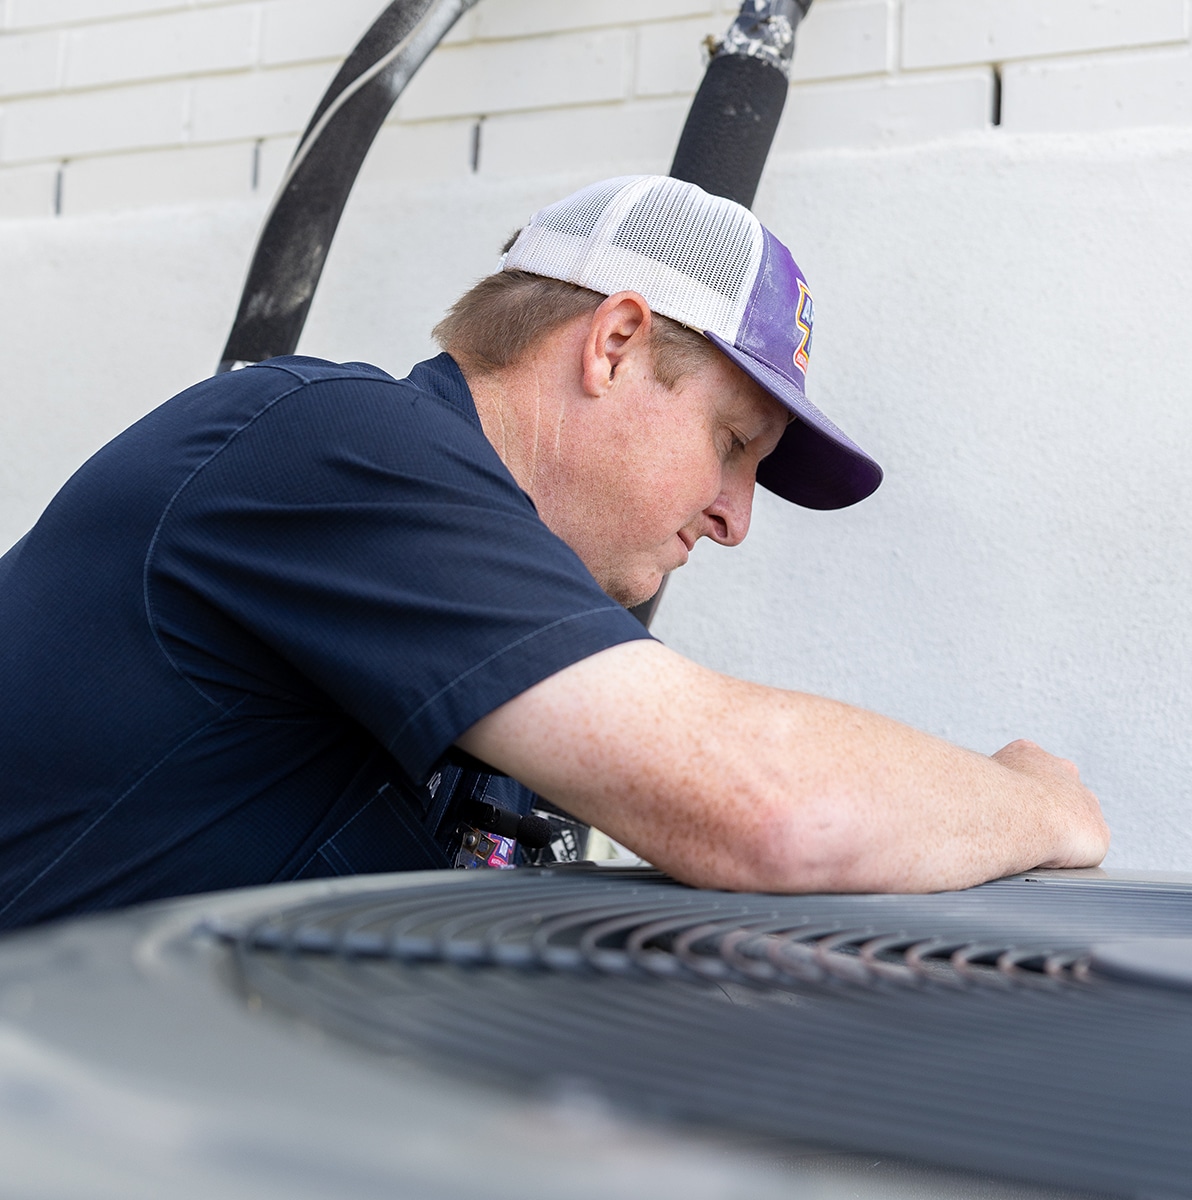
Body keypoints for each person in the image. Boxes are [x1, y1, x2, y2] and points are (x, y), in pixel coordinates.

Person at [0, 176, 1108, 930]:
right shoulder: (335, 443)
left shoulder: (476, 594)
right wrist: (1031, 800)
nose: (734, 519)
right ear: (615, 343)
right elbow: (769, 807)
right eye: (731, 446)